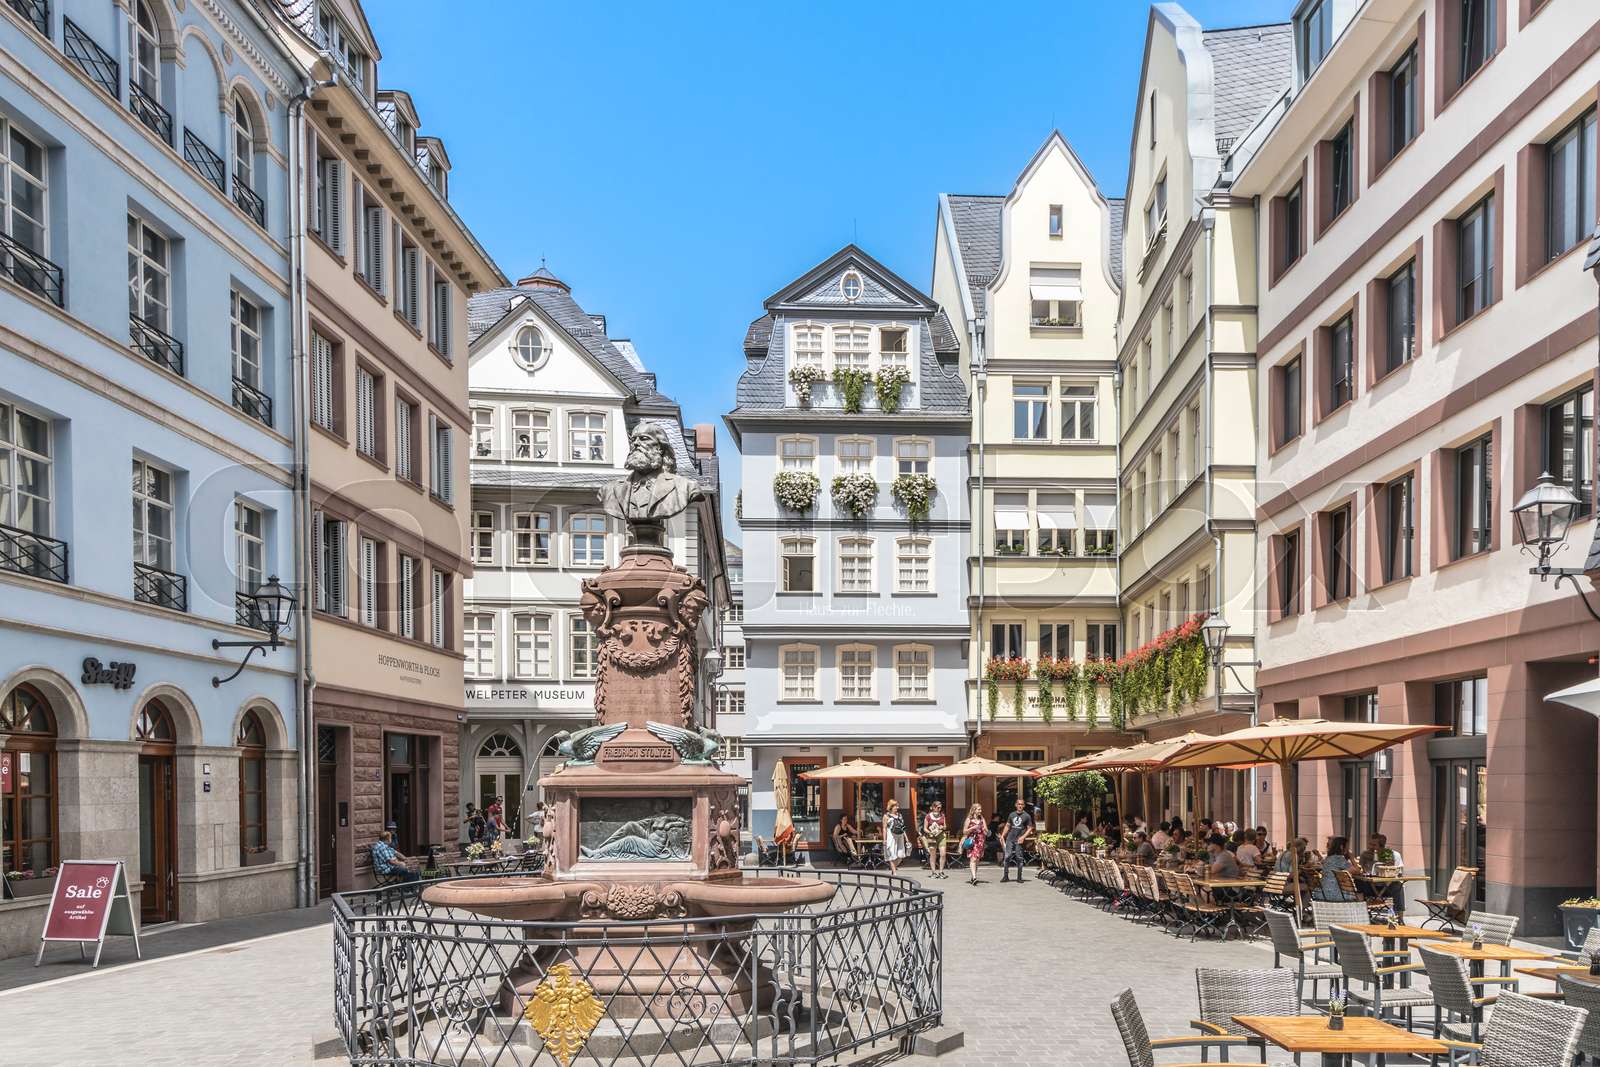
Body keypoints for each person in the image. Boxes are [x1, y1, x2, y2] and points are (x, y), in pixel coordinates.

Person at [1357, 833, 1407, 914]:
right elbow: (1360, 870)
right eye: (1369, 844)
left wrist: (1389, 864)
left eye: (1374, 845)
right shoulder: (1365, 854)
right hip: (1370, 887)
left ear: (1382, 845)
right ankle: (1361, 913)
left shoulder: (1394, 855)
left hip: (1387, 887)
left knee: (1398, 886)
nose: (1370, 847)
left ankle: (1400, 917)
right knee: (1359, 883)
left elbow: (1399, 874)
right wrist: (1363, 860)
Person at [1313, 835, 1361, 902]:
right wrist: (1351, 857)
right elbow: (1357, 871)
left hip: (1321, 892)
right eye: (1347, 847)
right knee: (1360, 895)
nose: (1348, 849)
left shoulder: (1329, 858)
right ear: (1341, 847)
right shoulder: (1339, 858)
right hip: (1333, 894)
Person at [1000, 797, 1035, 884]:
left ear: (1024, 806)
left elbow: (1030, 828)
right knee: (1007, 857)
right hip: (1010, 839)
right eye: (1018, 804)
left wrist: (1023, 837)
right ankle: (1005, 876)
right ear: (1016, 805)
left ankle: (1019, 877)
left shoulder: (1027, 816)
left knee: (1019, 858)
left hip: (1019, 840)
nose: (1020, 806)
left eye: (1021, 804)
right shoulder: (1011, 815)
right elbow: (1007, 826)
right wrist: (1002, 835)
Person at [922, 801, 949, 879]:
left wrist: (942, 827)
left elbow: (945, 826)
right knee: (933, 855)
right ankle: (933, 872)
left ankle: (941, 871)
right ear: (933, 807)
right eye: (938, 807)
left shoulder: (942, 815)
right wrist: (931, 832)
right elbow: (925, 828)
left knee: (943, 854)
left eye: (940, 807)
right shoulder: (928, 816)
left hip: (941, 836)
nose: (939, 809)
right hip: (931, 837)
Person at [882, 800, 910, 873]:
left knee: (901, 855)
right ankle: (894, 873)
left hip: (900, 836)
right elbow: (884, 828)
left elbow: (903, 827)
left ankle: (893, 867)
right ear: (891, 807)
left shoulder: (899, 815)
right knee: (891, 854)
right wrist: (884, 840)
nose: (897, 807)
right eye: (896, 806)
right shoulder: (886, 816)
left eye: (897, 806)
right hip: (891, 836)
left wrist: (907, 839)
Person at [962, 804, 987, 885]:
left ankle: (973, 877)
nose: (980, 811)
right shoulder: (969, 819)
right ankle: (974, 877)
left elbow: (986, 830)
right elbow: (964, 831)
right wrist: (972, 828)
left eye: (981, 809)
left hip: (980, 841)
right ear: (974, 810)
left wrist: (985, 830)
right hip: (972, 841)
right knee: (973, 859)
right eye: (979, 809)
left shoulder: (982, 819)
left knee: (977, 860)